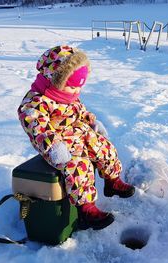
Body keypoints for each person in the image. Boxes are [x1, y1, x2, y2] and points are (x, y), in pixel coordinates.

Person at [18, 45, 135, 230]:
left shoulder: (69, 97)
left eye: (79, 88)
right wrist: (54, 145)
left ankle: (112, 181)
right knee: (79, 166)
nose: (75, 93)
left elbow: (80, 112)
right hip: (59, 145)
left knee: (104, 147)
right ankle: (86, 209)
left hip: (80, 133)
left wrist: (92, 123)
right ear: (54, 78)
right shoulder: (36, 102)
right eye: (72, 87)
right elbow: (35, 125)